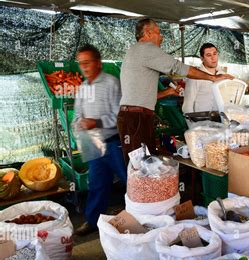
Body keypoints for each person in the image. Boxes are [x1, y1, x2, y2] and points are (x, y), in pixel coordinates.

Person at [118, 18, 233, 164]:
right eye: (159, 33)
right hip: (136, 118)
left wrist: (168, 92)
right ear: (147, 32)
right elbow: (177, 67)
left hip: (132, 117)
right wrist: (212, 77)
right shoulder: (146, 48)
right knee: (141, 167)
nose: (161, 37)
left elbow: (142, 96)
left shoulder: (134, 52)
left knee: (142, 165)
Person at [73, 44, 127, 236]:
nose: (84, 67)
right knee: (97, 184)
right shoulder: (83, 88)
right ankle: (93, 221)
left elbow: (118, 116)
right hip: (93, 144)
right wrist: (78, 126)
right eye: (81, 63)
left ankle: (142, 217)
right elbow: (77, 115)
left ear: (98, 63)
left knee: (130, 181)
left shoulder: (111, 83)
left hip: (113, 142)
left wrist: (94, 122)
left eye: (87, 62)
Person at [182, 43, 226, 113]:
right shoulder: (195, 77)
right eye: (209, 55)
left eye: (215, 54)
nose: (213, 58)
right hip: (201, 121)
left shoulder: (222, 75)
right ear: (202, 58)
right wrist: (193, 123)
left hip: (220, 120)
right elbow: (187, 106)